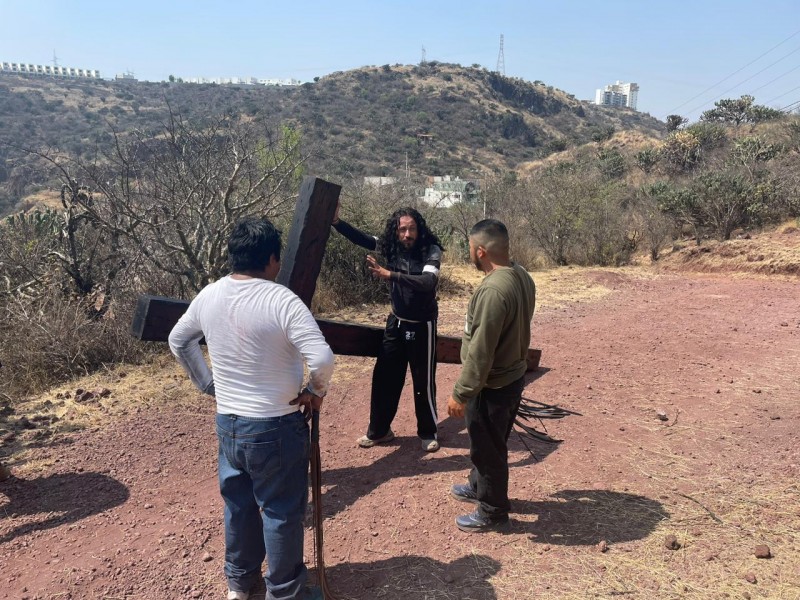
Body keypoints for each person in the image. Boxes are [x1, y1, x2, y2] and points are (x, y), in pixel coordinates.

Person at [169, 216, 334, 600]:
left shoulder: (209, 295)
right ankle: (286, 592)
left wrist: (209, 385)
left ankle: (240, 586)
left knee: (239, 507)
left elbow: (180, 341)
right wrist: (314, 390)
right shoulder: (281, 299)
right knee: (280, 512)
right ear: (272, 259)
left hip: (228, 423)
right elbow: (322, 358)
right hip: (277, 424)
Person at [446, 219, 536, 533]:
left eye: (471, 248)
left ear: (481, 251)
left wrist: (461, 392)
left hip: (492, 386)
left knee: (489, 449)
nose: (469, 253)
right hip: (512, 378)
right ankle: (478, 486)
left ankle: (493, 511)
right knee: (486, 443)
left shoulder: (493, 290)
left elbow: (481, 351)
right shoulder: (521, 275)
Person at [331, 205, 442, 452]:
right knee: (385, 377)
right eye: (402, 229)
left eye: (411, 229)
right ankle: (379, 431)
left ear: (419, 229)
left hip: (423, 325)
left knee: (423, 381)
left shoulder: (430, 250)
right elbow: (362, 238)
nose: (407, 234)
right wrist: (337, 222)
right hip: (396, 322)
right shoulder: (391, 247)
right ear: (396, 230)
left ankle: (428, 432)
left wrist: (389, 274)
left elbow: (428, 282)